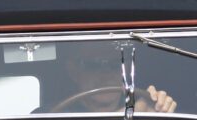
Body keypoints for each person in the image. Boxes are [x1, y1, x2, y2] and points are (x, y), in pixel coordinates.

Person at [45, 44, 178, 114]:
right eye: (93, 65)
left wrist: (161, 108)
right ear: (73, 72)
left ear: (125, 69)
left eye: (115, 64)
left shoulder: (146, 106)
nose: (106, 74)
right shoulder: (48, 116)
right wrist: (136, 111)